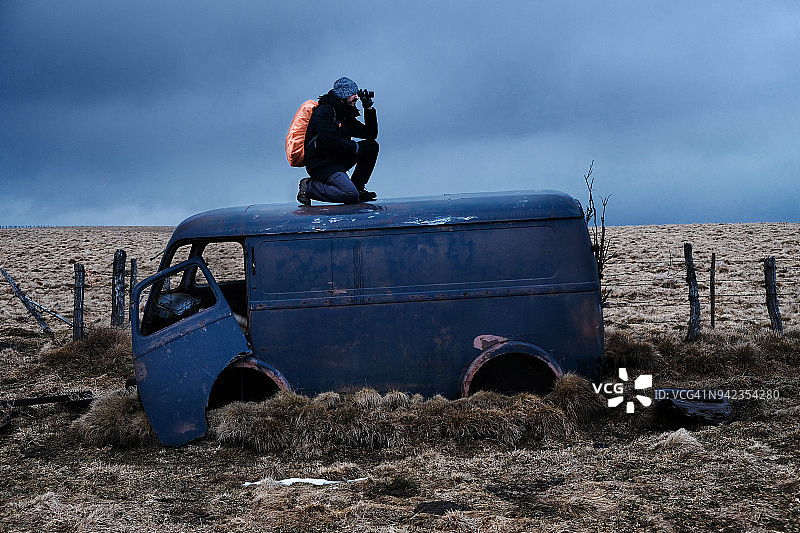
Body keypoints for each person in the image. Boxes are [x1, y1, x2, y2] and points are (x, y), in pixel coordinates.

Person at [297, 77, 379, 205]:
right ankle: (309, 186)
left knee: (371, 146)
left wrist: (368, 109)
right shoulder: (325, 112)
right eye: (353, 94)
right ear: (343, 95)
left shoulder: (344, 113)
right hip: (322, 164)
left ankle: (359, 187)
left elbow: (370, 134)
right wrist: (355, 147)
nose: (357, 97)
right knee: (350, 195)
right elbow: (331, 142)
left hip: (337, 159)